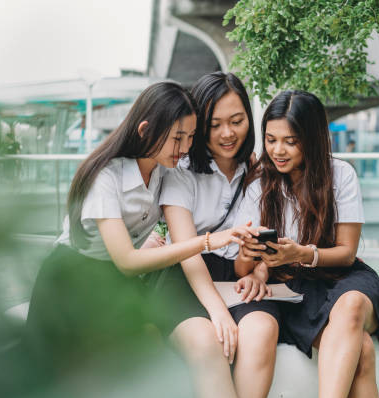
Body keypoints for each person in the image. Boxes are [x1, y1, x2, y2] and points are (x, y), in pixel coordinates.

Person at [24, 82, 254, 372]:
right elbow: (127, 262)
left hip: (114, 282)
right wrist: (208, 241)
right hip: (72, 280)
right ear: (145, 130)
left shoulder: (163, 171)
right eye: (177, 138)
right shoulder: (105, 178)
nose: (185, 149)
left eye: (191, 137)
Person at [235, 91, 379, 398]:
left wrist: (302, 253)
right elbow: (246, 265)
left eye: (290, 141)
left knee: (351, 307)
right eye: (270, 139)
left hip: (343, 277)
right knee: (362, 352)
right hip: (295, 288)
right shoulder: (259, 185)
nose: (277, 150)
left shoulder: (341, 175)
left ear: (311, 139)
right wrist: (256, 264)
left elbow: (347, 254)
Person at [154, 72, 279, 398]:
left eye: (237, 121)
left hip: (238, 277)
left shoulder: (260, 172)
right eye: (215, 124)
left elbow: (263, 240)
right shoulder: (179, 173)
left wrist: (259, 273)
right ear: (199, 126)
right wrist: (217, 312)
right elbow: (186, 252)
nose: (227, 133)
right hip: (186, 277)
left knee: (262, 329)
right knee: (209, 341)